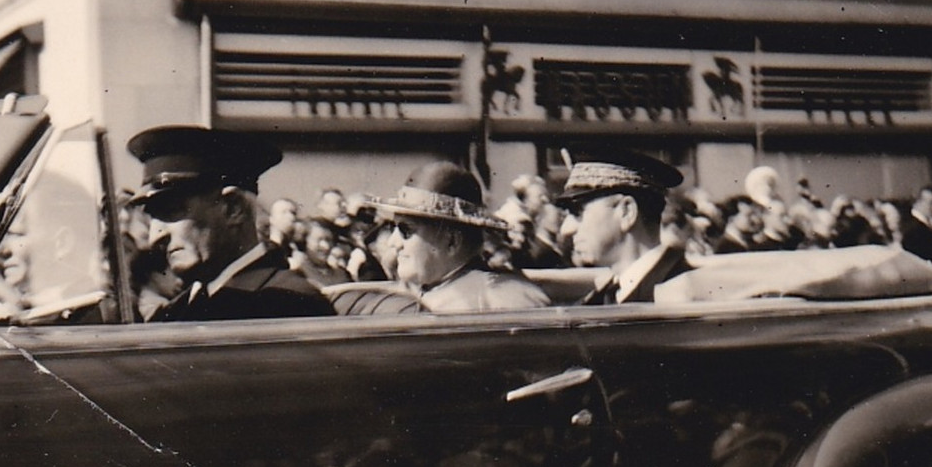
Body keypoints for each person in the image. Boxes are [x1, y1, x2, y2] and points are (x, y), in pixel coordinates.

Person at [125, 126, 333, 322]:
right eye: (151, 217)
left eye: (170, 210)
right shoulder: (177, 311)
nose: (155, 237)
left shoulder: (292, 305)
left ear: (234, 208)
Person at [372, 161, 550, 313]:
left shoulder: (506, 300)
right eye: (392, 227)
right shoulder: (413, 295)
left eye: (406, 230)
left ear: (452, 241)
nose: (392, 242)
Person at [555, 148, 688, 304]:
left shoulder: (685, 296)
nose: (566, 229)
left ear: (626, 212)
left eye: (578, 212)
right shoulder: (602, 298)